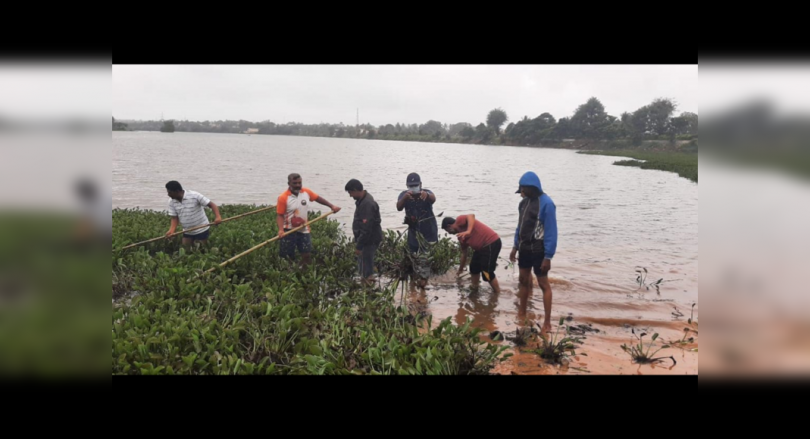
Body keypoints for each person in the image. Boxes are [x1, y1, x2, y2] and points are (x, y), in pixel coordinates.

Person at [509, 171, 558, 336]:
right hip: (524, 248)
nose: (521, 193)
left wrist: (548, 256)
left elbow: (551, 232)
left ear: (532, 187)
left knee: (544, 285)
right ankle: (522, 313)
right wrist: (515, 246)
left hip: (539, 249)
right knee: (523, 281)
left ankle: (547, 322)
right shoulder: (523, 204)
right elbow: (519, 227)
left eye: (523, 189)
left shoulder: (547, 204)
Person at [277, 173, 340, 267]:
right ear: (289, 183)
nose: (298, 185)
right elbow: (280, 215)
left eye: (299, 183)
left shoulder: (306, 192)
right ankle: (289, 273)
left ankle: (304, 272)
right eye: (295, 183)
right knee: (287, 256)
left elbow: (318, 198)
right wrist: (281, 230)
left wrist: (331, 206)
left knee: (306, 254)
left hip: (304, 229)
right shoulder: (283, 197)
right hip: (288, 230)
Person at [442, 214, 502, 294]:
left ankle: (498, 292)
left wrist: (468, 231)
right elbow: (464, 254)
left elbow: (471, 216)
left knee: (487, 272)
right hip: (480, 248)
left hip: (491, 242)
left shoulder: (459, 220)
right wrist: (460, 269)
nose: (449, 233)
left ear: (449, 226)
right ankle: (475, 288)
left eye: (447, 231)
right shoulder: (461, 237)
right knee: (474, 267)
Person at [396, 172, 437, 288]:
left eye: (415, 185)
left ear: (420, 184)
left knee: (425, 259)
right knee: (412, 257)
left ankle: (423, 284)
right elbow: (398, 207)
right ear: (407, 186)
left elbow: (433, 199)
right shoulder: (404, 195)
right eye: (410, 186)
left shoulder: (426, 193)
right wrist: (404, 199)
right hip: (413, 232)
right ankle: (413, 283)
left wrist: (427, 196)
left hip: (429, 231)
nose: (413, 188)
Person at [345, 179, 383, 286]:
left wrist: (359, 246)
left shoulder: (367, 204)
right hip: (367, 239)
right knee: (364, 265)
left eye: (350, 193)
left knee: (366, 268)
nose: (350, 195)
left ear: (356, 190)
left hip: (369, 240)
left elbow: (366, 229)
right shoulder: (363, 200)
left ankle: (368, 289)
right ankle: (366, 286)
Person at [165, 181, 222, 247]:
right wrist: (171, 230)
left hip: (202, 229)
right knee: (186, 250)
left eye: (170, 192)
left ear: (177, 191)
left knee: (201, 250)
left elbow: (212, 205)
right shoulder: (171, 201)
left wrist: (218, 217)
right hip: (187, 231)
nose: (168, 194)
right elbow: (174, 218)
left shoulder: (194, 195)